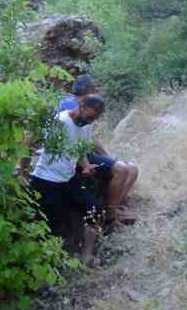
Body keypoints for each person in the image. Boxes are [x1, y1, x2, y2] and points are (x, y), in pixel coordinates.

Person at [27, 95, 106, 265]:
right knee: (51, 227)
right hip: (45, 181)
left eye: (95, 119)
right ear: (81, 105)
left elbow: (80, 150)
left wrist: (86, 166)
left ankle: (86, 256)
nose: (90, 122)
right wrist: (21, 168)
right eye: (90, 117)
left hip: (68, 180)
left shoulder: (86, 126)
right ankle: (44, 272)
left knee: (96, 209)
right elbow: (31, 140)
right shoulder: (60, 121)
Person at [56, 75, 139, 228]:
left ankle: (115, 207)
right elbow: (84, 140)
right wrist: (107, 158)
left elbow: (90, 138)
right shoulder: (72, 104)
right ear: (89, 91)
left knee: (131, 169)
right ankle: (110, 216)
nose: (99, 92)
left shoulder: (77, 104)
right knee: (123, 170)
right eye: (96, 89)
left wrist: (107, 156)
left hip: (82, 153)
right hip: (77, 157)